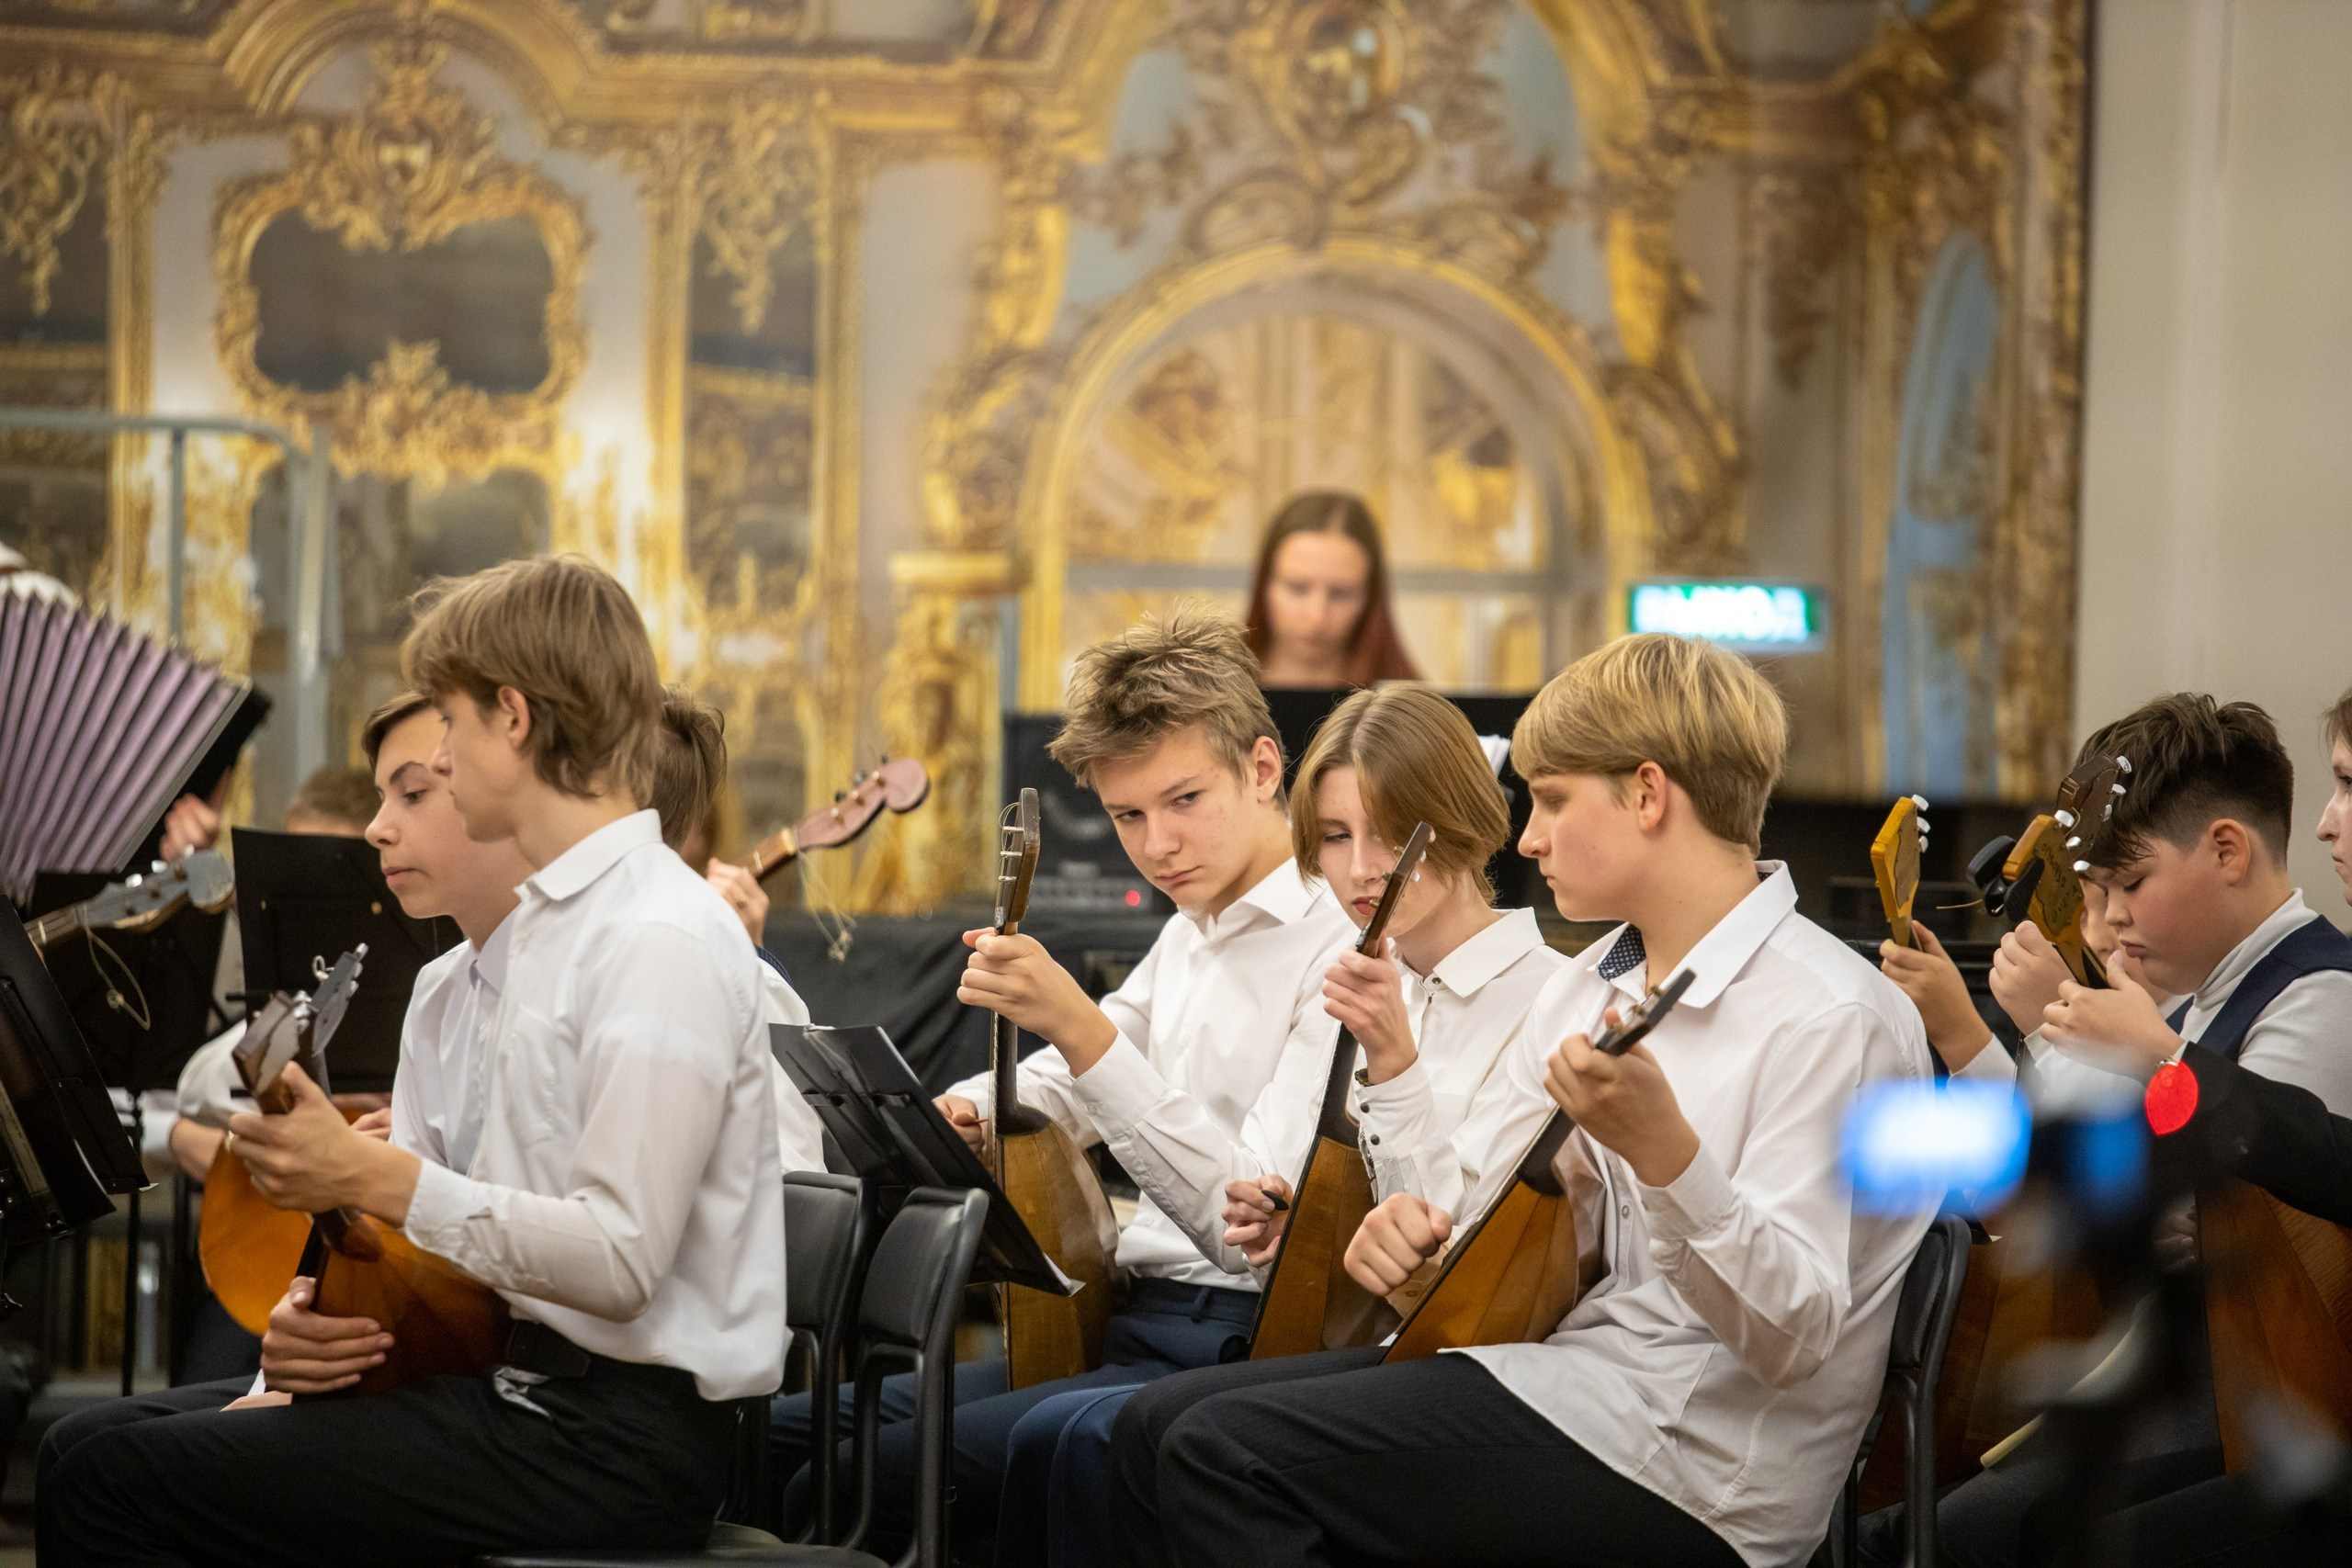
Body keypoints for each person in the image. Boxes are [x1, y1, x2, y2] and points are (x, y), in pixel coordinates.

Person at [1107, 631, 1935, 1568]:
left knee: (1225, 1457)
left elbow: (1795, 1343)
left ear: (1648, 795)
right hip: (1568, 1379)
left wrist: (1673, 1162)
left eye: (1549, 800)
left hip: (1699, 1465)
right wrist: (1408, 1229)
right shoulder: (1589, 985)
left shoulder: (1831, 1016)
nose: (1527, 835)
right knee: (1151, 1429)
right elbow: (1469, 1247)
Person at [42, 556, 784, 1565]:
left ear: (512, 719)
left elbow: (618, 1262)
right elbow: (416, 1265)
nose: (440, 747)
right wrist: (315, 1325)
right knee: (86, 1442)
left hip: (615, 1438)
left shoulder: (657, 933)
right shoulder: (500, 958)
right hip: (491, 1376)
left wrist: (374, 1174)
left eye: (451, 721)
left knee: (112, 1480)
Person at [770, 607, 1356, 1555]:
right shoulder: (1187, 932)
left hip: (1234, 1339)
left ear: (1260, 769)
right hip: (1126, 1316)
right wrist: (968, 1113)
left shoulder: (1335, 948)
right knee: (798, 1435)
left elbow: (1246, 1228)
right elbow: (1070, 1082)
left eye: (1183, 801)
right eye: (1127, 816)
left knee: (867, 1475)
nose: (1157, 844)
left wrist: (1076, 1026)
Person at [991, 682, 1570, 1568]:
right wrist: (1285, 1217)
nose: (1363, 868)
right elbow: (1274, 1192)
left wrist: (1395, 1063)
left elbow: (1468, 1260)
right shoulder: (1363, 978)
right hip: (1328, 1336)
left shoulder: (1548, 995)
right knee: (1069, 1438)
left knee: (1120, 1434)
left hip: (1448, 1371)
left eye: (1393, 832)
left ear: (1463, 820)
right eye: (1335, 838)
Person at [1859, 693, 2352, 1567]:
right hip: (2158, 1362)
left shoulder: (2317, 990)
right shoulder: (2193, 997)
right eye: (2097, 892)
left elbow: (2259, 1222)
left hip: (2238, 1395)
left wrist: (2136, 1059)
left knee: (1962, 1535)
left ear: (2227, 851)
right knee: (1901, 1510)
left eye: (2129, 885)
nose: (2113, 917)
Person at [1243, 491, 1419, 688]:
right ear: (1264, 585)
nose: (1316, 616)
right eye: (1297, 588)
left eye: (1340, 593)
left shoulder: (1416, 708)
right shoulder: (1211, 694)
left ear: (1370, 597)